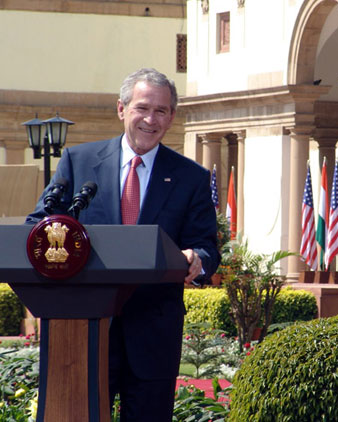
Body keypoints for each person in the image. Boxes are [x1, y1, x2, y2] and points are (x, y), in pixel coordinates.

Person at [27, 68, 221, 421]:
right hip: (83, 330)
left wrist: (198, 258)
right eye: (142, 108)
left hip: (154, 333)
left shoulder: (191, 177)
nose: (151, 119)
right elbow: (38, 225)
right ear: (122, 109)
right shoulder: (79, 162)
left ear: (172, 117)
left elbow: (207, 246)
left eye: (161, 111)